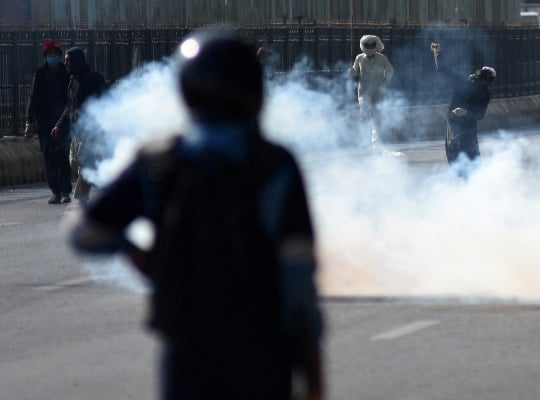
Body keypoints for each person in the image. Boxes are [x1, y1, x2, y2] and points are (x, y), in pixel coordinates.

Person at [69, 33, 324, 400]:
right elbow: (298, 276)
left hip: (185, 347)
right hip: (261, 347)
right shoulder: (273, 163)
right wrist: (312, 367)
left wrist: (138, 255)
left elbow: (86, 233)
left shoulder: (158, 161)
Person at [51, 47, 106, 204]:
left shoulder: (94, 79)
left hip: (91, 131)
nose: (66, 64)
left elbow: (105, 101)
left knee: (84, 164)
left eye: (69, 61)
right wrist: (59, 125)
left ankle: (81, 198)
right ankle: (99, 180)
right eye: (66, 61)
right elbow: (70, 107)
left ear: (79, 61)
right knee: (74, 161)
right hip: (77, 130)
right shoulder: (72, 81)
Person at [430, 42, 495, 170]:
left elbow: (480, 115)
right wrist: (437, 53)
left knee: (471, 158)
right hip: (453, 123)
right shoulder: (463, 83)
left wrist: (465, 112)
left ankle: (473, 182)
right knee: (454, 156)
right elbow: (443, 70)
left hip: (468, 127)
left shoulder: (484, 94)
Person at [24, 40, 71, 204]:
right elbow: (33, 97)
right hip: (45, 122)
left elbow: (71, 98)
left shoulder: (66, 73)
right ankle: (55, 191)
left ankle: (65, 190)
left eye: (55, 54)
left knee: (62, 155)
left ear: (59, 56)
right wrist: (29, 120)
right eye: (49, 55)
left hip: (62, 120)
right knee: (48, 156)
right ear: (46, 56)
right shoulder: (40, 74)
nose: (52, 57)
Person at [349, 35, 394, 146]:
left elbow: (389, 68)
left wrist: (387, 76)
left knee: (378, 117)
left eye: (371, 45)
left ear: (376, 45)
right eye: (367, 45)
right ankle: (366, 141)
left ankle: (377, 140)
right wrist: (351, 72)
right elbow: (355, 70)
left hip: (378, 92)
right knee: (364, 117)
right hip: (364, 92)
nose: (369, 47)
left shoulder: (382, 58)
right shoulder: (359, 58)